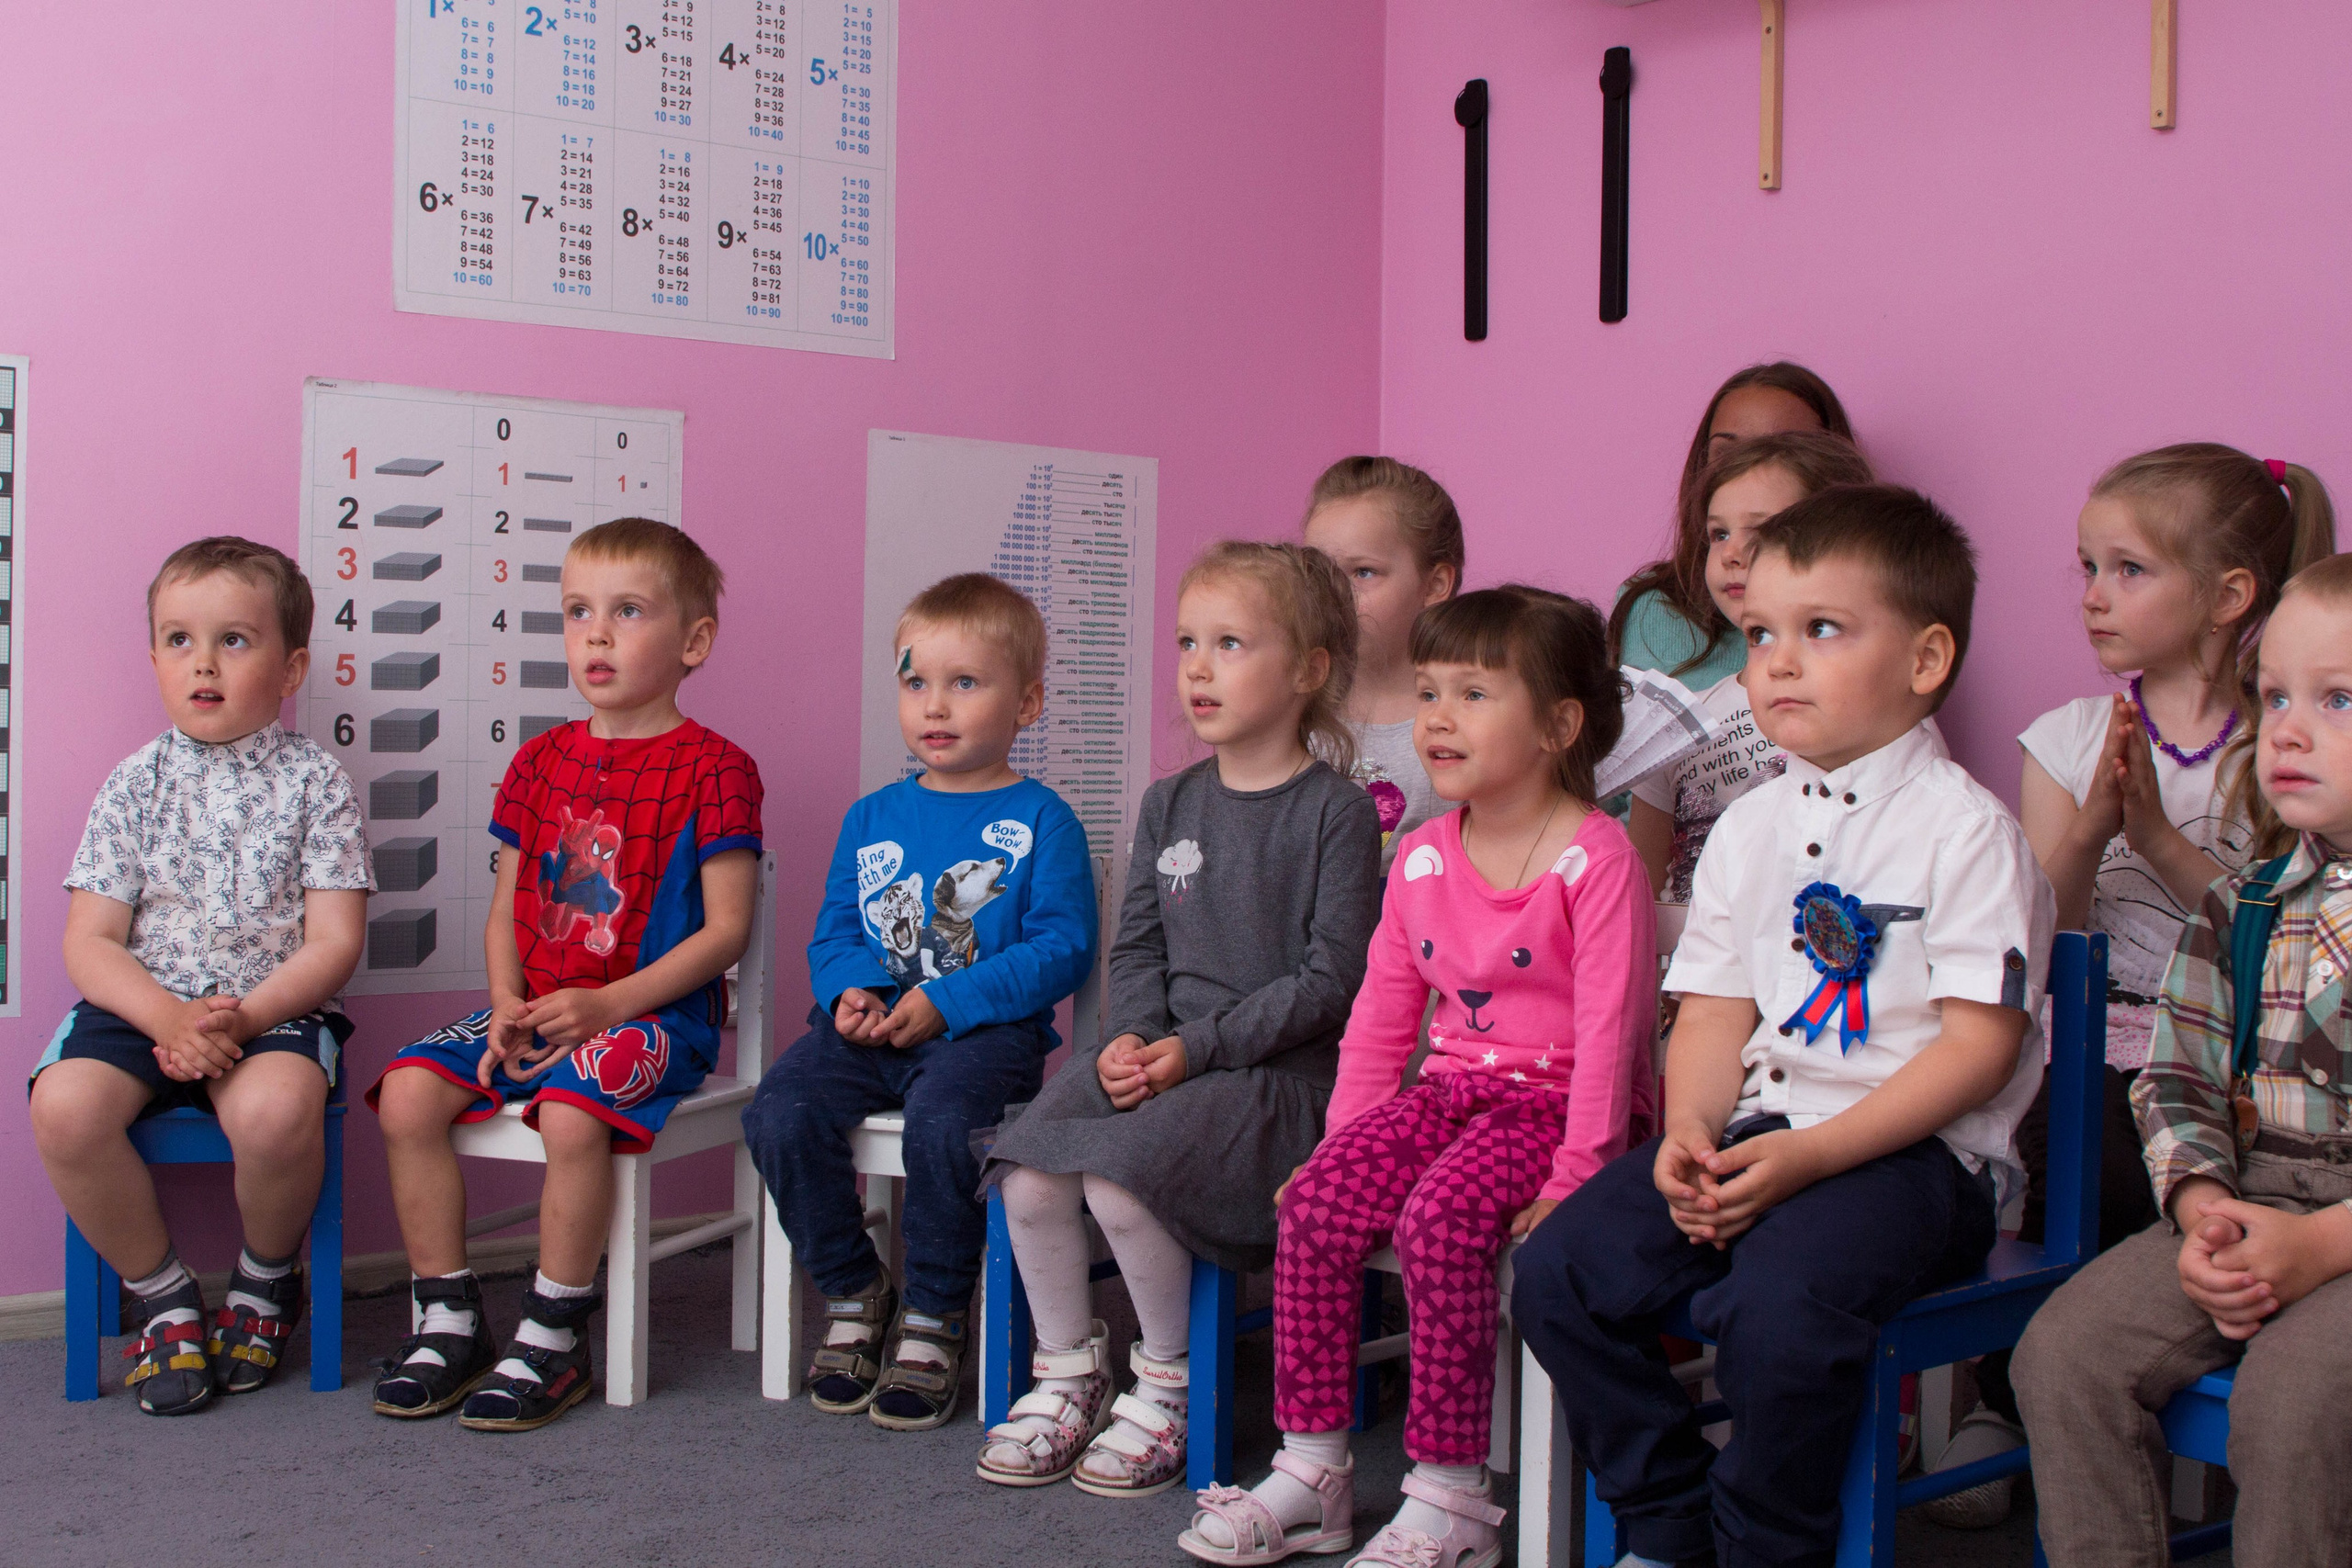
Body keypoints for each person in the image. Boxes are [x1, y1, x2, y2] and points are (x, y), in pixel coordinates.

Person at [1512, 485, 2054, 1568]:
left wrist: (1807, 1159)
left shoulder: (1967, 832)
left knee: (1777, 1308)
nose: (1778, 662)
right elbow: (1713, 1008)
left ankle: (1769, 1546)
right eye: (1761, 634)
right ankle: (1666, 1523)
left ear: (1925, 658)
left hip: (1918, 1163)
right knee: (1559, 1270)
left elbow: (1977, 1049)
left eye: (1821, 631)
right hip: (1766, 1128)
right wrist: (1688, 1132)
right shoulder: (1750, 828)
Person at [1179, 587, 1657, 1568]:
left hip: (1557, 1109)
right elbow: (1381, 1017)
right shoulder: (1423, 856)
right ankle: (1313, 1472)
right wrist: (1341, 1147)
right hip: (1449, 1098)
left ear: (1559, 724)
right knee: (1313, 1204)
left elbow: (1614, 1036)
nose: (1436, 716)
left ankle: (1450, 1496)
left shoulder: (1595, 858)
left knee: (1439, 1219)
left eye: (1473, 694)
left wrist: (1579, 1172)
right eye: (1430, 691)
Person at [1928, 445, 2336, 1526]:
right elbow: (2043, 941)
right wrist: (2097, 829)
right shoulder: (2074, 738)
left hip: (2270, 1132)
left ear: (2227, 596)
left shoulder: (2272, 765)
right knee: (2025, 1135)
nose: (2096, 598)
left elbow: (2248, 954)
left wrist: (2153, 836)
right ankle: (2011, 1393)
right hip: (2112, 1044)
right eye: (2086, 569)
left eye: (2129, 570)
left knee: (2285, 1396)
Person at [978, 542, 1380, 1497]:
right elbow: (1137, 949)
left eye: (1230, 642)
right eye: (1187, 641)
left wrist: (1190, 1050)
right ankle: (1070, 1372)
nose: (1196, 667)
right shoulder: (1168, 802)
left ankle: (1166, 1386)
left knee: (1123, 1186)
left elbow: (1331, 981)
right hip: (1164, 1055)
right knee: (1027, 1175)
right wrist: (1130, 1034)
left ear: (1309, 670)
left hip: (1274, 1077)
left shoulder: (1338, 814)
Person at [368, 518, 763, 1431]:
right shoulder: (538, 762)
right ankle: (450, 1315)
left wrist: (609, 1004)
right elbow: (507, 906)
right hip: (535, 1007)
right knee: (410, 1094)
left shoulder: (717, 770)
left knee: (573, 1107)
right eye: (577, 611)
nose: (595, 633)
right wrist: (506, 1001)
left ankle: (553, 1329)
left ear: (693, 641)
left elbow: (727, 932)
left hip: (653, 1015)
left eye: (626, 612)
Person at [2016, 552, 2352, 1568]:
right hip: (2247, 1197)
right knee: (2062, 1356)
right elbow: (2176, 1073)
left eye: (2336, 700)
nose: (2285, 729)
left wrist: (2318, 1249)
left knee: (2292, 1405)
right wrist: (2199, 1200)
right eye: (2273, 695)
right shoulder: (2242, 903)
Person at [741, 572, 1097, 1432]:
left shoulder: (1045, 818)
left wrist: (947, 1001)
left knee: (945, 1123)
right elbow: (832, 934)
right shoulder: (872, 816)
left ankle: (937, 1310)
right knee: (779, 1112)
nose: (935, 705)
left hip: (982, 1034)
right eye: (915, 682)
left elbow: (1062, 948)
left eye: (965, 682)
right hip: (869, 1029)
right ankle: (858, 1289)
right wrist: (850, 991)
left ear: (1029, 701)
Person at [31, 537, 371, 1416]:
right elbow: (91, 940)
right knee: (63, 1109)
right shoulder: (133, 784)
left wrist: (239, 1018)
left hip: (271, 1006)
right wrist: (171, 1018)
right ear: (153, 659)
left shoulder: (316, 782)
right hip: (146, 1004)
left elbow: (333, 944)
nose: (204, 663)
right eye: (179, 640)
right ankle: (161, 1290)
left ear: (291, 666)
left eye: (234, 640)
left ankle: (264, 1278)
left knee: (274, 1111)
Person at [1628, 431, 1875, 901]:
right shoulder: (1678, 723)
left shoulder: (1868, 711)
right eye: (1718, 533)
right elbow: (1637, 878)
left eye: (1761, 533)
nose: (1731, 552)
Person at [1606, 363, 1855, 694]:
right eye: (1728, 453)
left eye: (1783, 451)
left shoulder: (1862, 616)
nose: (1748, 469)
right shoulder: (1647, 607)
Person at [1302, 456, 1464, 869]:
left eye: (1363, 572)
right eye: (1319, 573)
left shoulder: (1470, 719)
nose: (1336, 593)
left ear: (1434, 585)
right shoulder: (1290, 710)